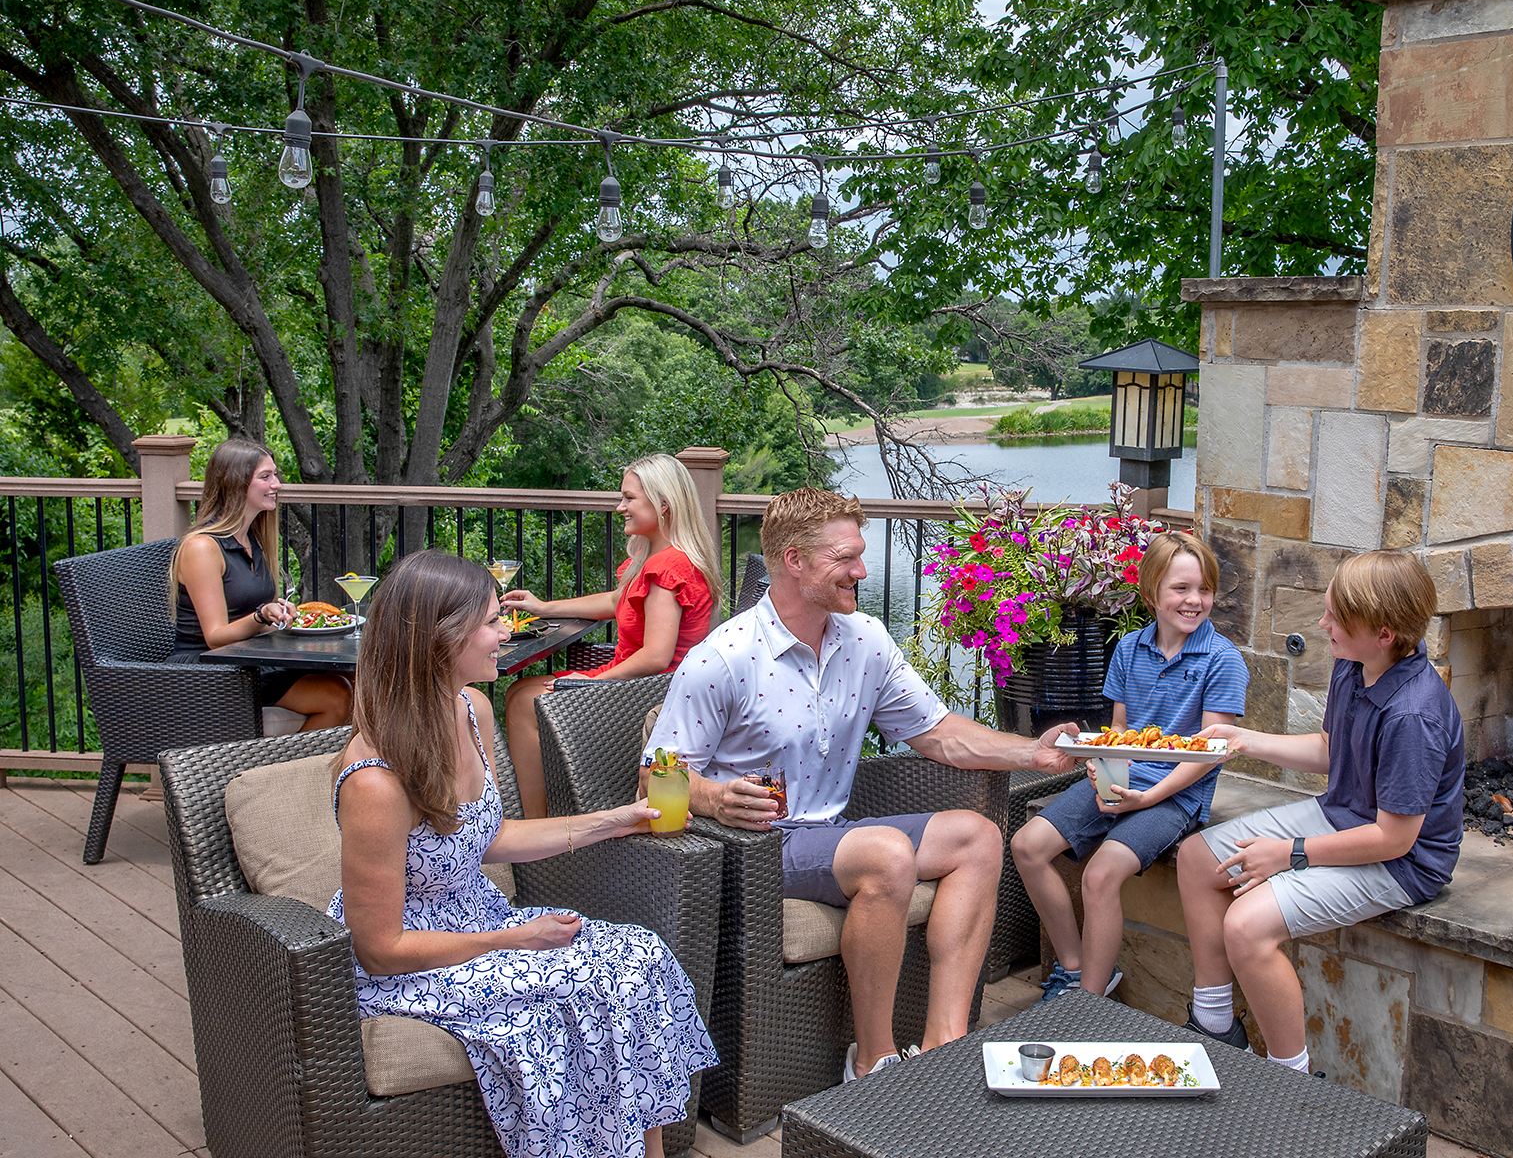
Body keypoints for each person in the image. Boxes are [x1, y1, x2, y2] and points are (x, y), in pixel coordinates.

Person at [644, 487, 1078, 1081]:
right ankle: (873, 1063)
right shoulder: (724, 658)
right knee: (888, 854)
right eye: (845, 558)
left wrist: (1034, 753)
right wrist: (717, 798)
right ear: (795, 561)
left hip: (833, 834)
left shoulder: (864, 640)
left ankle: (944, 1043)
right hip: (757, 846)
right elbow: (654, 777)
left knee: (978, 839)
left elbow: (938, 733)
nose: (862, 571)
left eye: (860, 555)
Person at [330, 550, 716, 1158]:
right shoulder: (374, 781)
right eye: (491, 622)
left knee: (640, 955)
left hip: (479, 919)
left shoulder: (471, 709)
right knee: (582, 991)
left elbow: (489, 837)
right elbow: (378, 950)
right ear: (440, 640)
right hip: (411, 962)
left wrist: (618, 820)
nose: (507, 634)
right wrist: (515, 939)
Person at [1175, 549, 1464, 1075]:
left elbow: (1394, 839)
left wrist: (1289, 854)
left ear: (1383, 633)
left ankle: (1291, 1079)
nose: (1322, 624)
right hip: (1343, 815)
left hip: (1402, 863)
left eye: (1335, 617)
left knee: (1246, 927)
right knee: (1197, 858)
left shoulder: (1413, 716)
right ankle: (1216, 1025)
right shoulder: (1354, 663)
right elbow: (1332, 751)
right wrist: (1244, 739)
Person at [1012, 532, 1248, 1003]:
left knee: (1100, 875)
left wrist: (1148, 797)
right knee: (1027, 846)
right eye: (1181, 588)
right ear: (1151, 592)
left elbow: (1209, 753)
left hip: (1175, 795)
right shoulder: (1128, 650)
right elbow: (1120, 730)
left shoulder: (1223, 661)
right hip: (1124, 778)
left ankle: (1089, 1002)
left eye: (1204, 589)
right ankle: (1073, 968)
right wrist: (1102, 770)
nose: (1195, 600)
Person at [501, 453, 720, 817]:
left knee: (526, 702)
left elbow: (656, 656)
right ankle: (546, 813)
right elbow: (616, 600)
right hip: (637, 685)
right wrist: (543, 607)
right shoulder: (658, 557)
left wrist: (592, 682)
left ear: (663, 504)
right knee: (518, 691)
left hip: (647, 696)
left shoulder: (668, 568)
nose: (620, 507)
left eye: (629, 498)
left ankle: (537, 824)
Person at [168, 436, 351, 730]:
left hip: (248, 659)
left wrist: (283, 618)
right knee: (337, 696)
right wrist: (262, 616)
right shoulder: (202, 547)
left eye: (275, 475)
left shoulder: (252, 540)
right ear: (233, 482)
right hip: (206, 670)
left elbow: (254, 620)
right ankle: (292, 763)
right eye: (265, 477)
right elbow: (215, 636)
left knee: (357, 679)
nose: (276, 484)